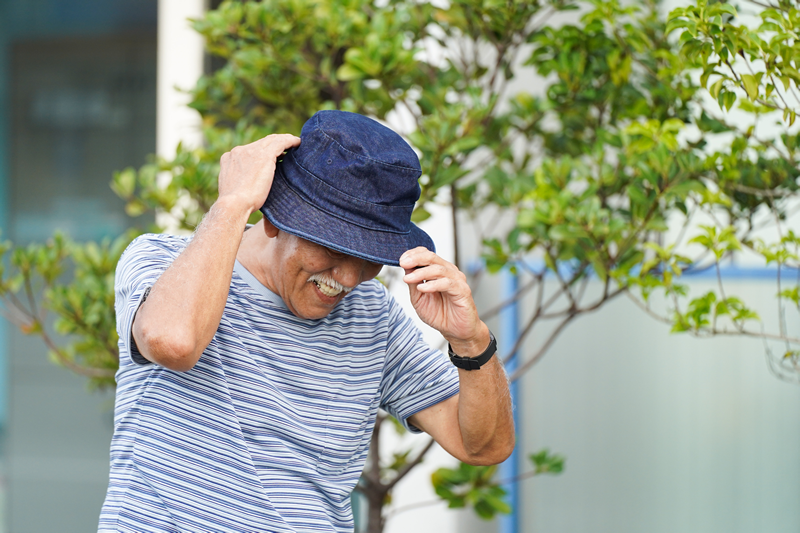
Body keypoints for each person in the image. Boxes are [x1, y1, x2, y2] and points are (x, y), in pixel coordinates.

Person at [99, 110, 514, 532]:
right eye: (334, 250)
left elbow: (485, 445)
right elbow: (173, 343)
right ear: (275, 219)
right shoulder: (163, 261)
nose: (349, 279)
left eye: (370, 259)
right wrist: (232, 204)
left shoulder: (373, 315)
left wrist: (470, 341)